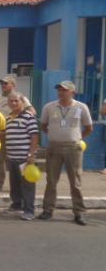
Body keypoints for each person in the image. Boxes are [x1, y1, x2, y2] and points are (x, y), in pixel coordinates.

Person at [39, 81, 93, 225]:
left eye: (64, 90)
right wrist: (55, 136)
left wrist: (76, 137)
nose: (61, 92)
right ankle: (48, 210)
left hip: (73, 148)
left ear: (72, 92)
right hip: (54, 147)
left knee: (75, 182)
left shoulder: (81, 107)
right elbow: (43, 126)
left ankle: (79, 213)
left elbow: (88, 128)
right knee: (51, 181)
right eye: (59, 90)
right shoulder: (49, 107)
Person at [0, 75, 36, 192]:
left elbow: (32, 111)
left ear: (13, 85)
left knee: (18, 160)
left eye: (6, 83)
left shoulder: (20, 97)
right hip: (2, 133)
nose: (3, 85)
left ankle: (22, 184)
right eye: (2, 83)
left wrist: (19, 120)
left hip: (17, 134)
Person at [5, 91, 39, 221]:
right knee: (15, 185)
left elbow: (34, 136)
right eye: (11, 101)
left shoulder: (28, 117)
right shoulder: (9, 118)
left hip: (25, 158)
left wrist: (31, 154)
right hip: (12, 157)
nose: (13, 103)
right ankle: (16, 206)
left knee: (27, 186)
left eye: (16, 101)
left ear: (22, 102)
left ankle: (29, 211)